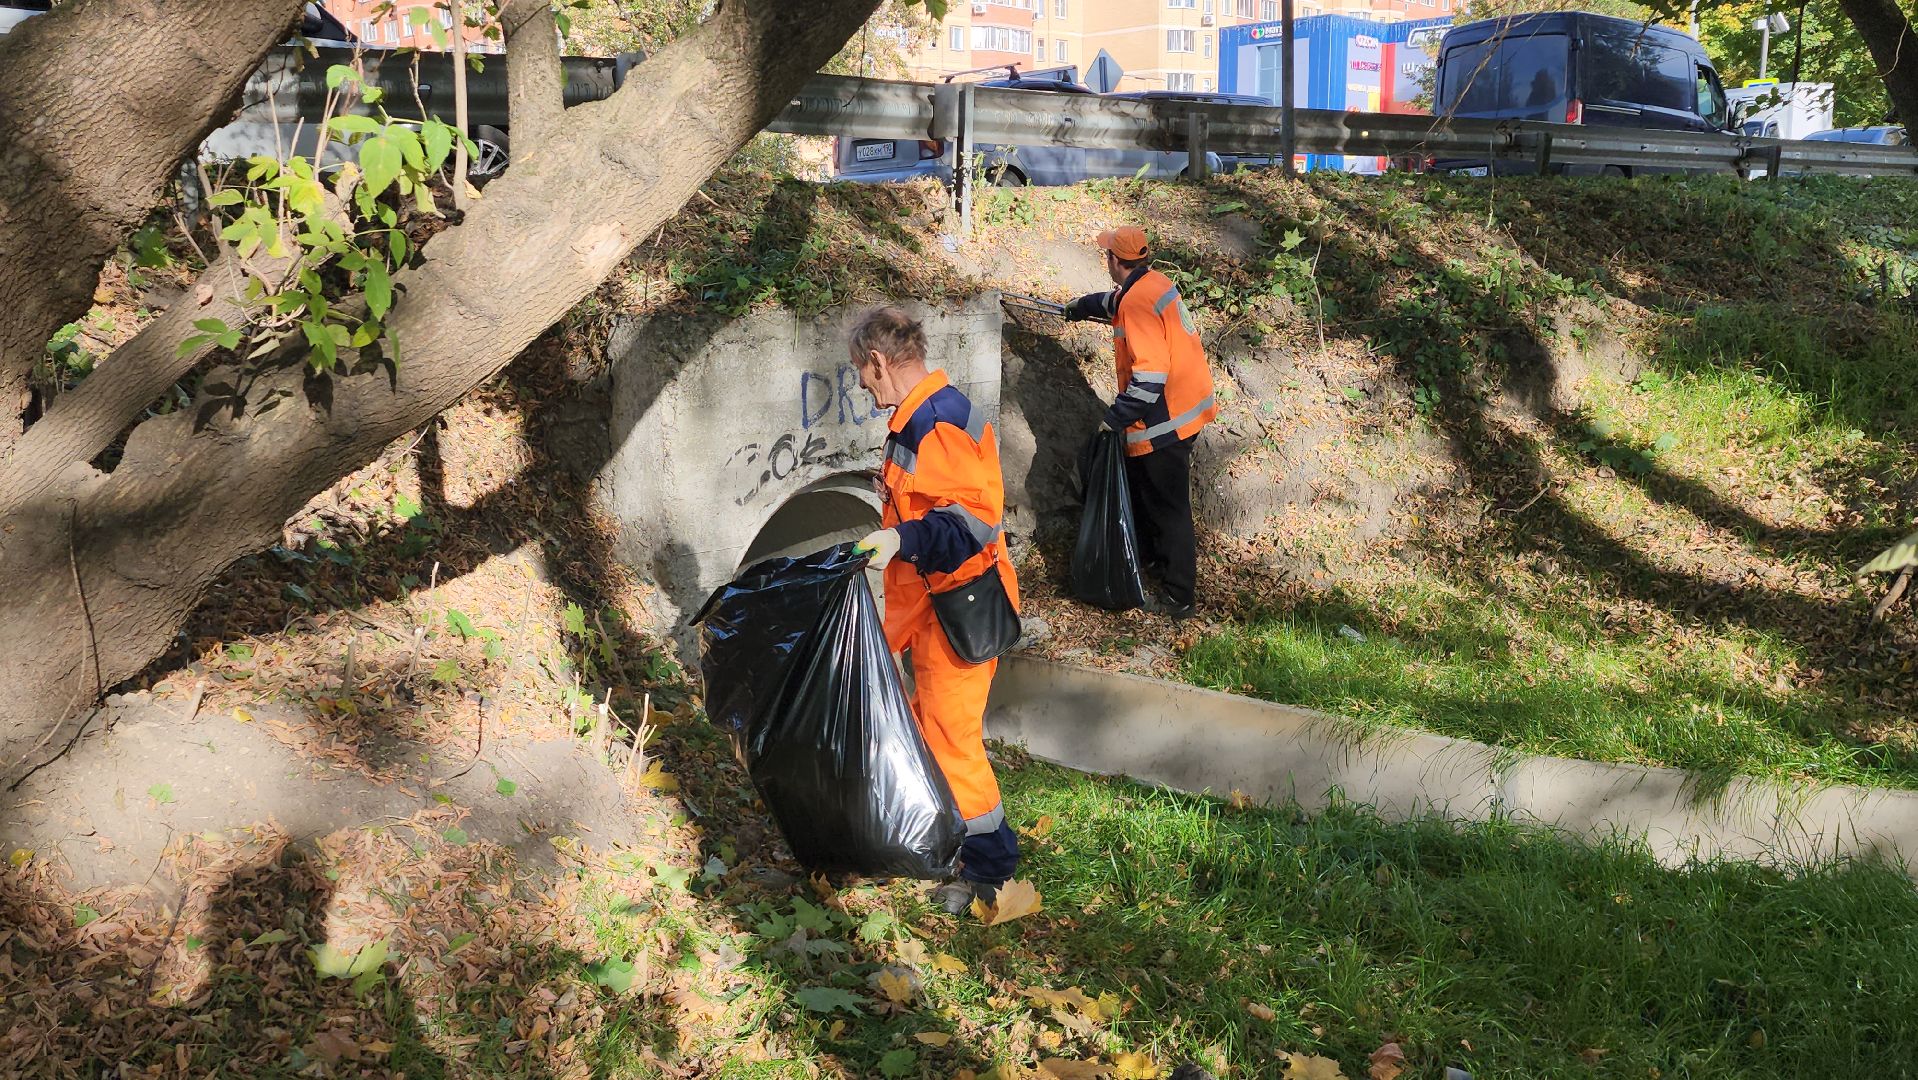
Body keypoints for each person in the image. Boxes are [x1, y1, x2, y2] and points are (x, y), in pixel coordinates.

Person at [849, 306, 1021, 914]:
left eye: (862, 375)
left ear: (878, 362)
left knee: (952, 740)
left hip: (959, 606)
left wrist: (901, 540)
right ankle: (950, 849)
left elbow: (969, 525)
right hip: (935, 606)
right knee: (929, 731)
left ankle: (992, 870)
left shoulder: (937, 422)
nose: (862, 388)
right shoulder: (917, 417)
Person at [1066, 225, 1216, 619]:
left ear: (1116, 261)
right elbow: (1114, 301)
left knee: (1170, 509)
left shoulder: (1135, 304)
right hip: (1187, 409)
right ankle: (1152, 561)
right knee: (1146, 492)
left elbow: (1150, 378)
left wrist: (1113, 421)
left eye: (1107, 255)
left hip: (1164, 422)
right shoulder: (1152, 283)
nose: (1106, 260)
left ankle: (1179, 595)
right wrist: (1081, 307)